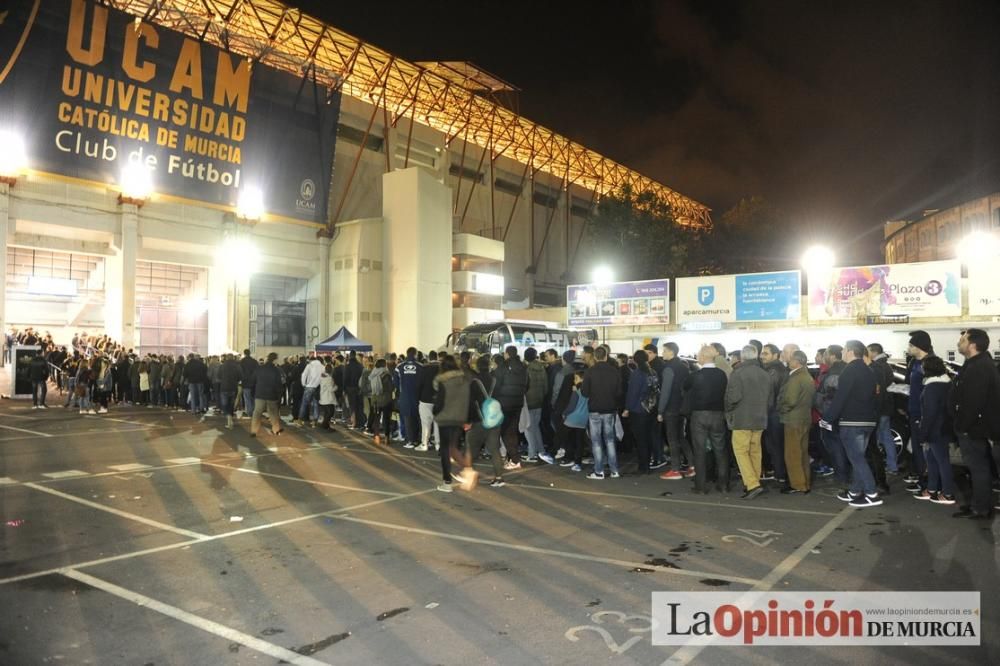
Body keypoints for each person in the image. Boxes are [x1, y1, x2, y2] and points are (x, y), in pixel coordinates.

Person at [948, 328, 1000, 519]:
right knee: (976, 468)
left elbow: (973, 402)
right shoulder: (975, 364)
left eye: (962, 339)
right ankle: (977, 504)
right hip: (973, 427)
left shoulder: (979, 367)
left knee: (979, 468)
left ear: (972, 344)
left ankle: (981, 508)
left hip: (973, 429)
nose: (958, 343)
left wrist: (962, 426)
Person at [823, 340, 882, 508]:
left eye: (843, 350)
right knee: (859, 458)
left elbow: (840, 397)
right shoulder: (869, 371)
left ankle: (871, 493)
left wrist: (827, 418)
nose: (841, 352)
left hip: (852, 421)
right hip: (868, 421)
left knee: (856, 458)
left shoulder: (849, 370)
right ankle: (855, 491)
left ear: (849, 351)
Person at [725, 345, 771, 498]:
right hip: (760, 419)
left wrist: (728, 411)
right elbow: (770, 400)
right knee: (755, 451)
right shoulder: (765, 374)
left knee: (741, 451)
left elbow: (732, 398)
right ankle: (754, 480)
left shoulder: (738, 373)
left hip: (742, 419)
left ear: (742, 358)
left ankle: (752, 484)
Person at [914, 355, 956, 505]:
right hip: (944, 427)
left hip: (935, 430)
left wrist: (922, 433)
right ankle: (932, 489)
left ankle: (948, 493)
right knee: (932, 460)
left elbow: (929, 413)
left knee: (942, 461)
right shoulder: (947, 383)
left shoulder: (932, 387)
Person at [432, 356, 473, 492]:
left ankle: (447, 482)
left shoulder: (444, 382)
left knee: (445, 450)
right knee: (453, 447)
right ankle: (467, 469)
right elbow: (469, 401)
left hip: (445, 418)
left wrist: (435, 412)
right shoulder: (464, 381)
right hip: (459, 418)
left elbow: (439, 403)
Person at [581, 346, 623, 479]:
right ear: (606, 356)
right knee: (610, 440)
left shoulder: (590, 372)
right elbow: (619, 392)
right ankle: (614, 470)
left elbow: (584, 392)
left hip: (594, 409)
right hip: (610, 409)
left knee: (596, 441)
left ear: (595, 357)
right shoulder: (615, 371)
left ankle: (599, 471)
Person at [778, 350, 816, 494]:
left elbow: (790, 400)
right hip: (805, 418)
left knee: (792, 454)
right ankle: (805, 482)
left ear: (797, 362)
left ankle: (797, 484)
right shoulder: (807, 377)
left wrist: (781, 408)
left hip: (793, 420)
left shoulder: (795, 378)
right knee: (803, 453)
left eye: (791, 359)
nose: (788, 361)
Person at [466, 354, 507, 486]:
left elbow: (471, 402)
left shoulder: (474, 382)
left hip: (479, 419)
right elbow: (500, 397)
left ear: (477, 367)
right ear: (489, 366)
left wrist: (468, 420)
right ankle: (499, 478)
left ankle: (468, 474)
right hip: (494, 419)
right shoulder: (495, 380)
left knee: (471, 447)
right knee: (494, 449)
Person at [658, 342, 693, 479]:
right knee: (681, 437)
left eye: (664, 351)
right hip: (682, 407)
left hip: (671, 407)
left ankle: (675, 469)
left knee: (672, 439)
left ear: (671, 352)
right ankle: (692, 465)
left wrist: (660, 411)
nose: (663, 353)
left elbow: (665, 391)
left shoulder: (668, 369)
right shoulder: (684, 367)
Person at [904, 330, 934, 493]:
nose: (908, 347)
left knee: (924, 450)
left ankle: (929, 485)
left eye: (911, 345)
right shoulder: (915, 363)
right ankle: (923, 480)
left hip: (922, 414)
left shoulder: (928, 364)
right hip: (913, 411)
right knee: (916, 449)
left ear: (919, 346)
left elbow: (931, 391)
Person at [814, 345, 848, 483]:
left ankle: (842, 476)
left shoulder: (834, 373)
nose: (824, 356)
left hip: (831, 416)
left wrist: (826, 416)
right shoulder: (844, 370)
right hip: (838, 416)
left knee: (836, 446)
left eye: (826, 353)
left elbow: (831, 398)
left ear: (833, 356)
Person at [623, 349, 659, 475]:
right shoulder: (653, 372)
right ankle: (647, 464)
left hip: (638, 410)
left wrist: (627, 409)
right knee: (648, 438)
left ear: (635, 360)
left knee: (640, 440)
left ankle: (643, 467)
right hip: (651, 408)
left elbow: (632, 393)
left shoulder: (637, 373)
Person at [494, 346, 528, 470]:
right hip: (518, 402)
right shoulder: (523, 367)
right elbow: (527, 385)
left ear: (507, 354)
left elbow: (496, 385)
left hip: (504, 403)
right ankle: (512, 457)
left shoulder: (503, 367)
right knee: (513, 430)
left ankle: (515, 459)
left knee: (505, 432)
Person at [867, 343, 899, 475]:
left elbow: (879, 390)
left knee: (881, 438)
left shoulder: (878, 366)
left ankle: (886, 466)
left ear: (874, 352)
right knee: (886, 437)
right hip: (886, 407)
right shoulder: (885, 364)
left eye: (868, 351)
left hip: (881, 408)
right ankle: (892, 466)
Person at [760, 343, 788, 483]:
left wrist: (764, 412)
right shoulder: (776, 368)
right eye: (762, 353)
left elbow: (769, 395)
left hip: (773, 413)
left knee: (775, 445)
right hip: (777, 412)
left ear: (775, 355)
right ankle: (780, 472)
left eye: (766, 353)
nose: (762, 356)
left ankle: (780, 474)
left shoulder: (773, 371)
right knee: (776, 444)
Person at [524, 348, 550, 463]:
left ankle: (532, 454)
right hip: (539, 401)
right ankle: (541, 451)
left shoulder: (527, 369)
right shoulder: (542, 368)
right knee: (535, 427)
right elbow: (546, 386)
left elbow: (524, 386)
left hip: (528, 402)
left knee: (528, 428)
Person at [251, 353, 285, 437]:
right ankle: (276, 430)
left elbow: (253, 380)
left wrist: (254, 392)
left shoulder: (259, 368)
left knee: (257, 413)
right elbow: (278, 384)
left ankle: (254, 431)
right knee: (273, 414)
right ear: (275, 360)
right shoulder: (276, 370)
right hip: (271, 395)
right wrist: (279, 395)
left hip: (259, 394)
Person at [415, 351, 441, 451]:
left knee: (426, 423)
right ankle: (438, 444)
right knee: (438, 423)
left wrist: (418, 398)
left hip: (425, 399)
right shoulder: (442, 369)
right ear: (437, 357)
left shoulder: (423, 369)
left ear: (429, 358)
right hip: (439, 400)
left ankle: (424, 444)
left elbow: (418, 385)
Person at [398, 348, 422, 449]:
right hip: (417, 397)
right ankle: (416, 440)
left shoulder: (399, 367)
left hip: (404, 397)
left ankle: (410, 440)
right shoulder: (420, 367)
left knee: (407, 418)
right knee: (417, 418)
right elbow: (423, 382)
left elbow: (395, 383)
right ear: (415, 354)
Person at [369, 359, 393, 444]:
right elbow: (390, 388)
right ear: (384, 365)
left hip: (375, 400)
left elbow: (370, 387)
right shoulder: (387, 375)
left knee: (376, 418)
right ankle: (386, 437)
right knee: (386, 419)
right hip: (386, 400)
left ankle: (377, 437)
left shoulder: (373, 374)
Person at [297, 355, 324, 427]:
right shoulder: (322, 367)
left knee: (304, 404)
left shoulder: (309, 365)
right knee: (316, 405)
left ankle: (300, 420)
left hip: (309, 387)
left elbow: (304, 375)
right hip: (317, 387)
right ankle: (314, 422)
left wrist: (303, 384)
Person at [218, 353, 243, 429]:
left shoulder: (222, 366)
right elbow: (240, 377)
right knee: (231, 404)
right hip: (233, 387)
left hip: (224, 387)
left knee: (225, 404)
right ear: (233, 358)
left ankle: (229, 418)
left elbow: (218, 376)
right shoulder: (237, 366)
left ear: (226, 358)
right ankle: (230, 417)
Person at [344, 351, 365, 429]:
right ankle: (361, 423)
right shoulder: (360, 366)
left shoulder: (348, 366)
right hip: (359, 388)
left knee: (352, 406)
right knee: (360, 406)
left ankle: (354, 423)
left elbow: (345, 378)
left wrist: (344, 389)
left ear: (350, 356)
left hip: (350, 388)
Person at [239, 349, 258, 419]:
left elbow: (240, 372)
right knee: (253, 397)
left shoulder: (242, 362)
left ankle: (249, 412)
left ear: (244, 353)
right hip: (254, 382)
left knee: (247, 398)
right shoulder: (254, 361)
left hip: (245, 382)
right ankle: (253, 411)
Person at [319, 363, 337, 430]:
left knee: (327, 412)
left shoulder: (322, 377)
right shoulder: (329, 378)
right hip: (328, 398)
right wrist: (336, 387)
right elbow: (331, 389)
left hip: (323, 397)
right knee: (330, 412)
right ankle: (325, 425)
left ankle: (325, 425)